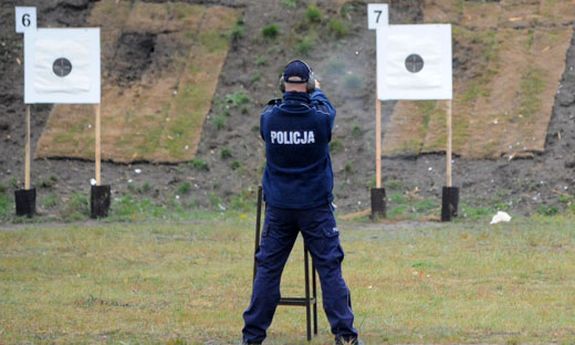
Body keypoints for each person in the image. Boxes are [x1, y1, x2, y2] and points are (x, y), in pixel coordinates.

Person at [241, 60, 362, 345]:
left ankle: (252, 337)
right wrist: (316, 91)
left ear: (283, 85)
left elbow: (277, 110)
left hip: (280, 208)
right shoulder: (320, 119)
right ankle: (344, 335)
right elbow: (326, 108)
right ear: (308, 86)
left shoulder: (269, 118)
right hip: (315, 208)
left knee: (268, 270)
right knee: (330, 270)